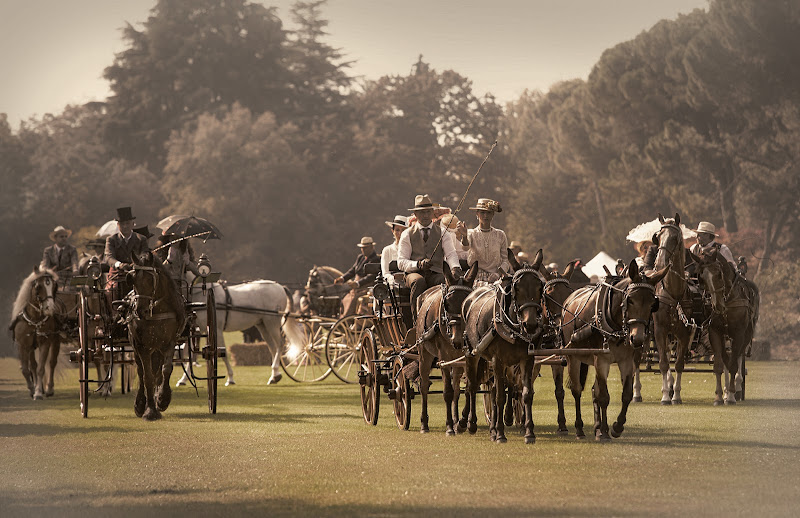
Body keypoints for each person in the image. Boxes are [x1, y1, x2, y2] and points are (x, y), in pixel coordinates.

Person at [398, 194, 463, 319]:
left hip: (436, 273)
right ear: (415, 215)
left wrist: (455, 268)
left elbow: (450, 254)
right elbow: (401, 262)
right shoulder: (407, 234)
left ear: (433, 213)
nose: (425, 215)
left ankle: (446, 319)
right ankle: (416, 320)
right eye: (422, 212)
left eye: (428, 212)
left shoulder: (443, 233)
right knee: (419, 281)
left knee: (446, 282)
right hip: (414, 274)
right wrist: (418, 264)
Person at [455, 198, 509, 286]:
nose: (485, 216)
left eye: (488, 213)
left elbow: (505, 260)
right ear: (477, 214)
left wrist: (498, 274)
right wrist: (464, 235)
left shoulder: (500, 235)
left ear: (493, 215)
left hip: (496, 279)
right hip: (475, 278)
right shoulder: (471, 233)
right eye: (482, 213)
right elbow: (465, 247)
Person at [104, 206, 150, 300]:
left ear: (133, 224)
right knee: (110, 292)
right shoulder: (111, 240)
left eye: (127, 223)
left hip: (137, 273)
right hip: (117, 275)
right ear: (118, 225)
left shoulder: (141, 239)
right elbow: (109, 257)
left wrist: (138, 262)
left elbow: (145, 254)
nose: (125, 226)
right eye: (122, 224)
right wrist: (119, 265)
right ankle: (115, 313)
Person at [335, 236, 381, 316]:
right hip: (355, 288)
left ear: (371, 247)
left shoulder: (375, 259)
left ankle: (348, 319)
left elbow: (371, 276)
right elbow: (353, 270)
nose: (363, 250)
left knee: (353, 300)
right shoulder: (360, 257)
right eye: (362, 248)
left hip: (365, 287)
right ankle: (343, 318)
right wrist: (342, 278)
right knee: (345, 298)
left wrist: (358, 283)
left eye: (365, 248)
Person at [381, 215, 409, 286]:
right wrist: (394, 278)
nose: (400, 233)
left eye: (403, 230)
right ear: (392, 231)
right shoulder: (387, 250)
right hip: (392, 287)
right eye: (397, 230)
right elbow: (385, 273)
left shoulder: (412, 248)